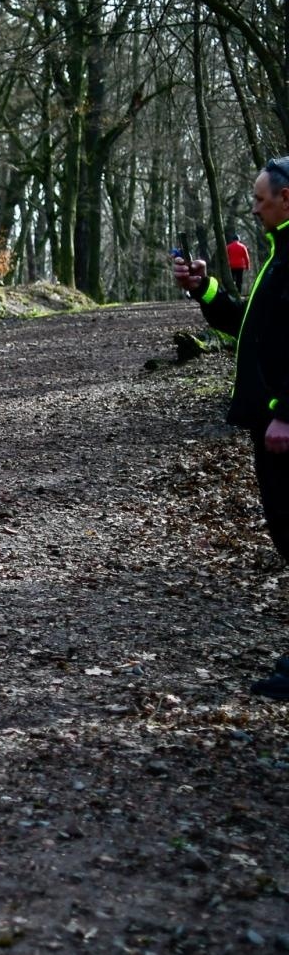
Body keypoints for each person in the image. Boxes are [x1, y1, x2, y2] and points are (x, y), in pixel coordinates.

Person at [173, 156, 289, 700]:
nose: (255, 207)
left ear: (287, 198)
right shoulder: (279, 253)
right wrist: (207, 290)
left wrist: (286, 410)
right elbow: (252, 323)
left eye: (261, 199)